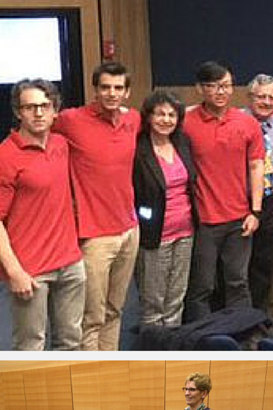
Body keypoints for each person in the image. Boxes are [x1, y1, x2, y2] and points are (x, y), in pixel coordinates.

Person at [54, 61, 140, 350]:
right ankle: (90, 374)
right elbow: (36, 127)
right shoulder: (71, 120)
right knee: (91, 315)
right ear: (95, 90)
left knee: (115, 310)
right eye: (105, 87)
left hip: (129, 229)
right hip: (95, 236)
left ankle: (110, 366)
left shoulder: (133, 119)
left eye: (118, 88)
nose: (111, 93)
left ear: (127, 92)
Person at [0, 79, 85, 350]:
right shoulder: (6, 156)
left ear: (55, 110)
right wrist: (14, 271)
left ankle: (66, 394)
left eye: (44, 106)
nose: (38, 113)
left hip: (70, 263)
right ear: (18, 112)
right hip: (31, 270)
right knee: (31, 347)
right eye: (30, 107)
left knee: (71, 342)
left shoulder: (62, 144)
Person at [183, 61, 264, 321]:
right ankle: (203, 340)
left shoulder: (246, 123)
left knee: (238, 282)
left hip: (240, 219)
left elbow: (256, 166)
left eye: (226, 86)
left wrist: (255, 211)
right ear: (199, 89)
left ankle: (242, 334)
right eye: (214, 86)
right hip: (203, 222)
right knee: (202, 287)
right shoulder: (184, 121)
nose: (221, 92)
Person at [133, 90, 197, 327]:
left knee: (176, 297)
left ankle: (172, 342)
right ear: (148, 116)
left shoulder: (182, 142)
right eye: (160, 114)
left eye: (172, 115)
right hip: (154, 233)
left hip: (186, 231)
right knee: (153, 300)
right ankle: (153, 347)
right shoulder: (138, 148)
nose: (166, 120)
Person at [245, 74, 273, 311]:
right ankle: (234, 317)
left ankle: (257, 314)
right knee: (237, 266)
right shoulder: (238, 121)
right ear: (250, 97)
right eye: (261, 96)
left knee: (263, 260)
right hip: (242, 201)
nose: (267, 102)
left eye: (272, 97)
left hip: (269, 200)